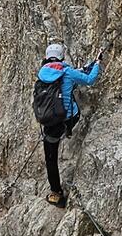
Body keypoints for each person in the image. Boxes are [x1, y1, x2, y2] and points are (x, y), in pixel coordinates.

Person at [31, 41, 102, 208]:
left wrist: (87, 66)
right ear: (62, 56)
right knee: (71, 90)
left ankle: (56, 193)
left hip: (48, 120)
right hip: (69, 118)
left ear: (47, 57)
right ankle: (67, 130)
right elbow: (90, 79)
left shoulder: (42, 72)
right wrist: (97, 64)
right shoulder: (67, 72)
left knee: (50, 157)